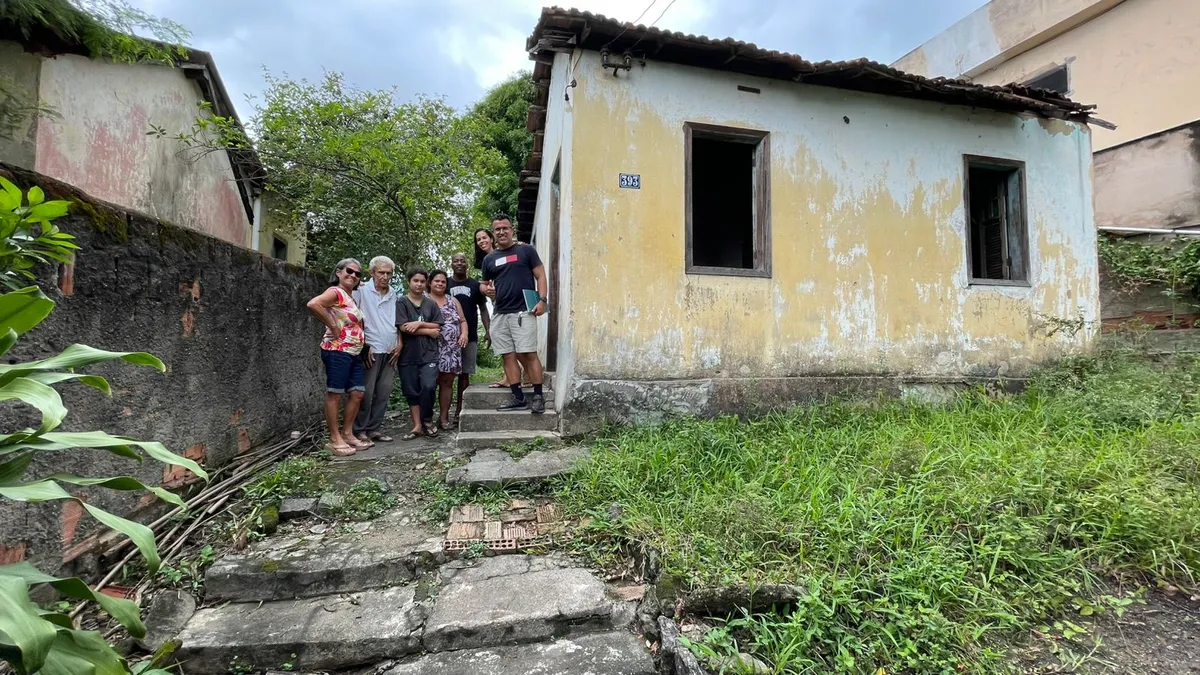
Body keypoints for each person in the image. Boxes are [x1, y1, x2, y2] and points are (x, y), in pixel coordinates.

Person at [481, 214, 548, 414]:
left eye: (505, 228)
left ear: (512, 230)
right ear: (493, 234)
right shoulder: (489, 259)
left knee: (528, 353)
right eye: (497, 229)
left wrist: (542, 300)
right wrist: (486, 290)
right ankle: (517, 397)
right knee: (508, 356)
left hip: (523, 312)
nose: (501, 232)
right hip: (500, 314)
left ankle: (538, 396)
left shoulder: (526, 250)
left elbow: (541, 275)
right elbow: (484, 285)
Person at [306, 258, 372, 456]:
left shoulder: (349, 296)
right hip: (337, 350)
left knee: (357, 393)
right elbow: (313, 304)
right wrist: (333, 325)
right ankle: (334, 439)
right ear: (338, 272)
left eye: (357, 274)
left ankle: (348, 433)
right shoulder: (335, 292)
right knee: (335, 393)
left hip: (353, 352)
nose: (353, 275)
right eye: (349, 271)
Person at [473, 228, 530, 389]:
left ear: (491, 238)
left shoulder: (508, 250)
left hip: (515, 303)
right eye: (478, 239)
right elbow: (485, 285)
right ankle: (509, 376)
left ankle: (527, 372)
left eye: (484, 237)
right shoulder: (486, 260)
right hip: (498, 303)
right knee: (504, 344)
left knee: (516, 343)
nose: (482, 241)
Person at [352, 256, 400, 443]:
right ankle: (360, 429)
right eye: (381, 272)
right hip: (371, 348)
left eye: (388, 273)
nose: (385, 276)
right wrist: (363, 344)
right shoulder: (362, 291)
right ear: (372, 272)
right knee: (366, 392)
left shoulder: (394, 293)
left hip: (390, 349)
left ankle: (374, 429)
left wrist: (400, 343)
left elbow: (397, 321)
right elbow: (354, 319)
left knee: (384, 391)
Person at [395, 268, 444, 439]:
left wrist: (416, 324)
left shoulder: (430, 304)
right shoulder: (402, 302)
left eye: (422, 281)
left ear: (426, 283)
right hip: (408, 355)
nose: (419, 284)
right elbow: (403, 327)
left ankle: (428, 420)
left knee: (429, 386)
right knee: (411, 390)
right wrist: (427, 330)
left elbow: (439, 326)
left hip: (429, 354)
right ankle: (417, 425)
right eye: (415, 280)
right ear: (409, 282)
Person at [448, 252, 490, 421]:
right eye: (456, 260)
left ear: (467, 264)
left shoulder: (474, 285)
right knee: (446, 376)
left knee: (464, 374)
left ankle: (460, 410)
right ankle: (444, 413)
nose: (459, 263)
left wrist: (488, 330)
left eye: (462, 261)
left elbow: (483, 309)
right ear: (451, 264)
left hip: (470, 335)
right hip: (447, 338)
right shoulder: (445, 283)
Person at [429, 270, 468, 430]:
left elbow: (463, 320)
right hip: (430, 348)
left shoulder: (453, 301)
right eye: (436, 281)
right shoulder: (423, 299)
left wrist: (464, 333)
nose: (440, 284)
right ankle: (426, 419)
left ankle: (444, 418)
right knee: (429, 383)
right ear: (429, 283)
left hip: (451, 349)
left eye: (443, 282)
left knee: (447, 382)